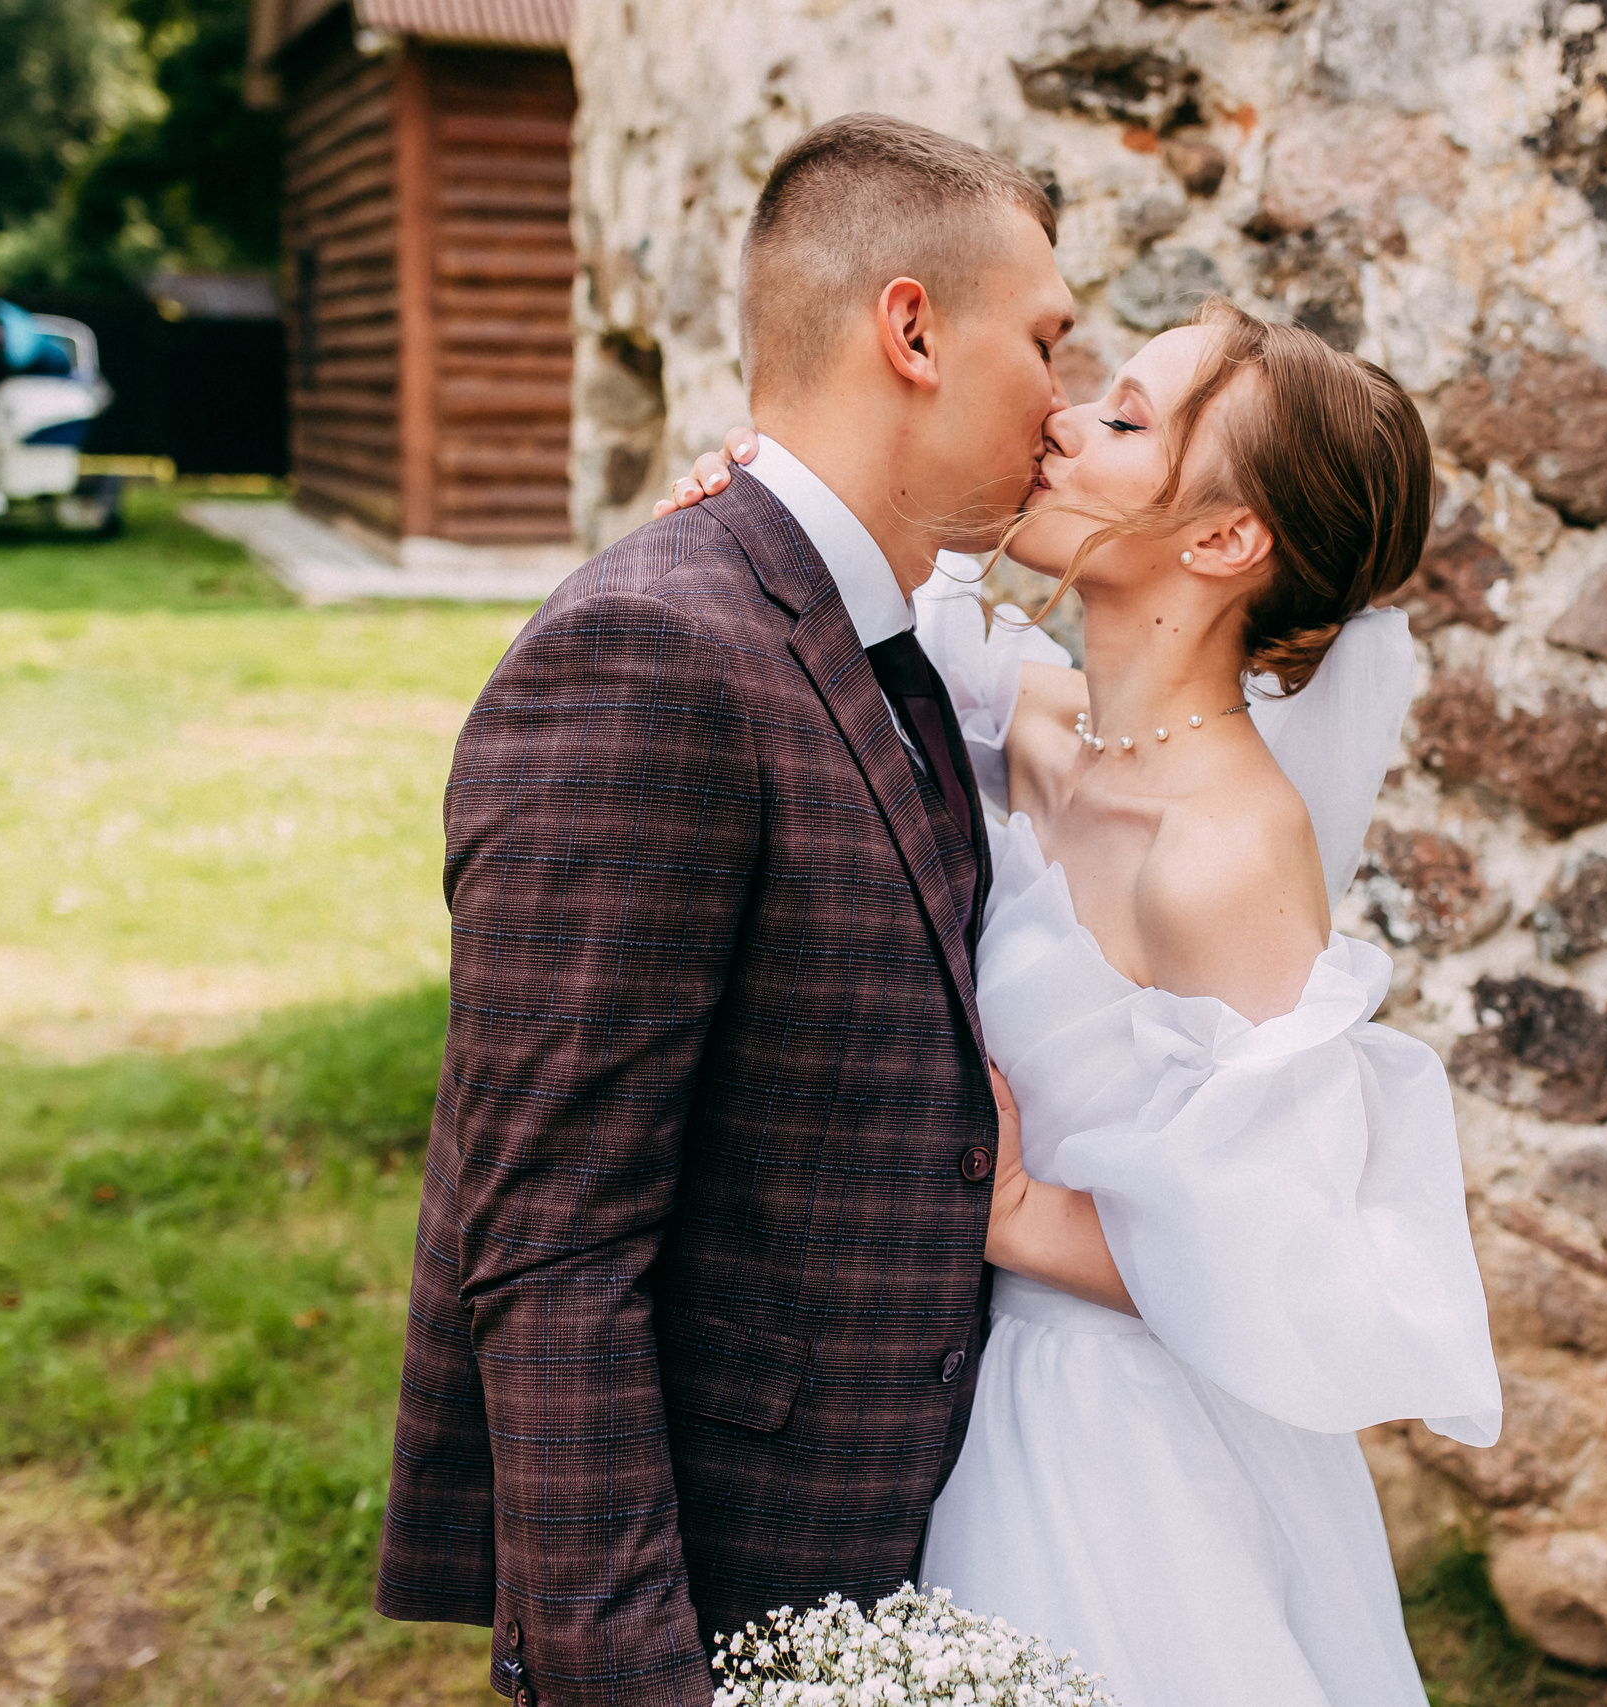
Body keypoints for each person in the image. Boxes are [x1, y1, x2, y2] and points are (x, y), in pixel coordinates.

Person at [660, 299, 1503, 1707]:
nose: (1060, 421)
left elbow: (1276, 1262)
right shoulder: (1052, 732)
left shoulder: (1224, 856)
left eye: (1122, 421)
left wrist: (999, 1203)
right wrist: (766, 498)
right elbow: (863, 632)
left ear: (1226, 543)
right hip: (962, 1382)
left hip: (1118, 1445)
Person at [374, 113, 1078, 1707]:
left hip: (901, 1552)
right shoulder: (648, 657)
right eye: (1046, 341)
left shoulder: (885, 632)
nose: (1065, 398)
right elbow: (547, 1248)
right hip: (716, 1594)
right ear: (911, 330)